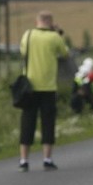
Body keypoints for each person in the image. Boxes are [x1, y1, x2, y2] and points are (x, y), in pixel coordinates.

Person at [18, 10, 69, 171]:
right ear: (51, 22)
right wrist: (57, 33)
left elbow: (22, 52)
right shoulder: (54, 38)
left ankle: (24, 160)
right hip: (48, 87)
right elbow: (65, 54)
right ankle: (47, 158)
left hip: (29, 87)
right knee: (48, 123)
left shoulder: (28, 35)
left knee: (27, 122)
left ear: (36, 21)